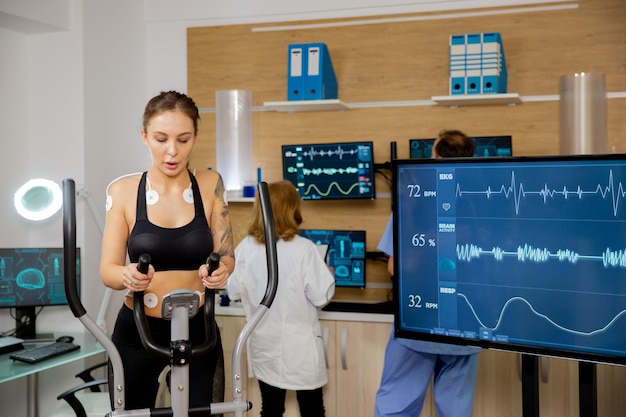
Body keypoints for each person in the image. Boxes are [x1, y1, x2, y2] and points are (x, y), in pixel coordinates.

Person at [100, 90, 235, 410]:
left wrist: (223, 271)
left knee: (204, 412)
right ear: (144, 137)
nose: (172, 151)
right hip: (138, 329)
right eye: (161, 139)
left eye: (183, 139)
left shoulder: (211, 184)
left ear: (195, 138)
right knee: (129, 415)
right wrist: (127, 275)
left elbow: (226, 254)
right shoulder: (123, 191)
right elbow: (108, 270)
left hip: (198, 327)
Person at [374, 129, 481, 417]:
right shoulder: (483, 203)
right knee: (455, 409)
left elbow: (396, 268)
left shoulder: (414, 200)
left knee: (397, 405)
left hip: (419, 321)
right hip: (467, 322)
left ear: (436, 156)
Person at [227, 180, 335, 417]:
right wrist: (328, 277)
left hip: (265, 344)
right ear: (292, 210)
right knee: (312, 409)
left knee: (272, 408)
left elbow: (232, 291)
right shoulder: (304, 249)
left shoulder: (246, 248)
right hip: (301, 349)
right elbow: (321, 296)